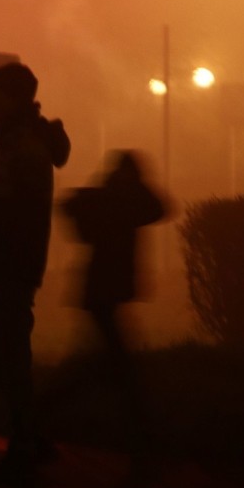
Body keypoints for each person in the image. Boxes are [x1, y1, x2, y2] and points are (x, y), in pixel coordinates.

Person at [0, 61, 71, 487]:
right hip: (12, 265)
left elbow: (23, 215)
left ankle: (25, 445)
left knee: (4, 354)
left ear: (17, 99)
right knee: (5, 354)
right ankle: (30, 437)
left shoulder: (24, 148)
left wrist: (5, 256)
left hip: (14, 266)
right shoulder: (18, 143)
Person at [59, 149, 168, 451]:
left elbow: (70, 206)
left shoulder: (110, 198)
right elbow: (159, 206)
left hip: (100, 291)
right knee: (117, 362)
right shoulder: (123, 201)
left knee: (106, 360)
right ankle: (140, 427)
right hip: (105, 291)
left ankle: (55, 408)